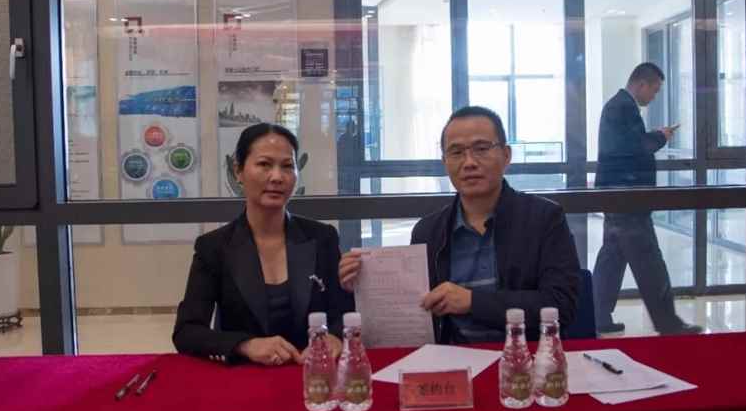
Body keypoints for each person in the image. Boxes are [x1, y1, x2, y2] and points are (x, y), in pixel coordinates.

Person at [339, 106, 580, 343]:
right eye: (456, 152)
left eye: (481, 149)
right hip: (451, 359)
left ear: (506, 155)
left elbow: (561, 305)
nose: (469, 162)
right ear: (444, 161)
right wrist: (364, 288)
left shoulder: (544, 219)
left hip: (523, 356)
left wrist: (472, 302)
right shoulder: (428, 231)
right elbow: (415, 311)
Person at [173, 123, 353, 365]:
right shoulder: (214, 247)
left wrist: (336, 337)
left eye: (287, 166)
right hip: (244, 377)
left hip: (312, 374)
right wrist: (245, 345)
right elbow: (187, 332)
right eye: (264, 164)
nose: (277, 177)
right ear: (238, 171)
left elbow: (343, 314)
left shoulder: (322, 238)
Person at [592, 63, 703, 336]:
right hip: (628, 199)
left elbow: (627, 145)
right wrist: (660, 137)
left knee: (611, 260)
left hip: (617, 198)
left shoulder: (618, 106)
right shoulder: (623, 107)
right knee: (649, 261)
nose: (654, 96)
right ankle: (669, 323)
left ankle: (596, 316)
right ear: (642, 84)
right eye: (655, 89)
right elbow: (634, 147)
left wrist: (653, 136)